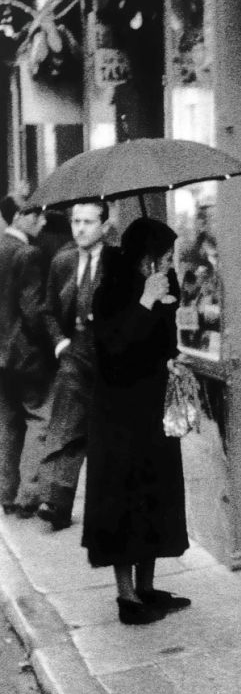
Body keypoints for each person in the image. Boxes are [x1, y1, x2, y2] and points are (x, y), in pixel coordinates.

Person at [82, 217, 190, 625]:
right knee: (124, 502)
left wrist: (165, 305)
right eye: (164, 256)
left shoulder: (163, 284)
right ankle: (126, 597)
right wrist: (144, 302)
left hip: (153, 413)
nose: (169, 263)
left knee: (155, 498)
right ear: (145, 258)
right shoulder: (109, 293)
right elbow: (113, 354)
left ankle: (147, 587)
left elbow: (163, 343)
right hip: (119, 418)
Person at [36, 201, 111, 530]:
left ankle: (111, 506)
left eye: (88, 222)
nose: (80, 228)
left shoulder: (118, 262)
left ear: (104, 226)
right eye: (76, 222)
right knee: (65, 427)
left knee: (109, 432)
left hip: (112, 356)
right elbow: (48, 309)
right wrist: (60, 344)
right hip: (75, 353)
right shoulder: (63, 261)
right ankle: (56, 502)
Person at [0, 202, 52, 517]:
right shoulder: (28, 254)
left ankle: (6, 493)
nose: (43, 222)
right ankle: (28, 495)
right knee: (39, 417)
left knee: (7, 422)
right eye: (38, 215)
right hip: (25, 354)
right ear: (20, 217)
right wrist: (50, 346)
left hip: (0, 356)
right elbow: (33, 312)